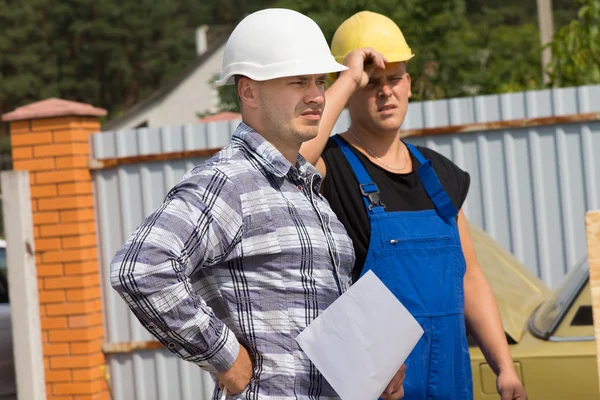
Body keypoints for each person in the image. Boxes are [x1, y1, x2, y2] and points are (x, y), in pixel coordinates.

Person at [110, 8, 406, 400]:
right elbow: (142, 267)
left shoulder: (304, 186)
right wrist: (224, 356)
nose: (316, 95)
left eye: (318, 81)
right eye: (298, 81)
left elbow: (308, 309)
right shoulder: (228, 182)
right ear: (248, 91)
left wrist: (375, 362)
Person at [300, 10, 528, 400]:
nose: (386, 91)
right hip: (378, 388)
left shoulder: (440, 173)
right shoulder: (329, 167)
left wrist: (504, 369)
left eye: (395, 78)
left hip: (453, 382)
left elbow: (470, 276)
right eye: (372, 82)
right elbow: (290, 159)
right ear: (349, 86)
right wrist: (347, 77)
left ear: (409, 84)